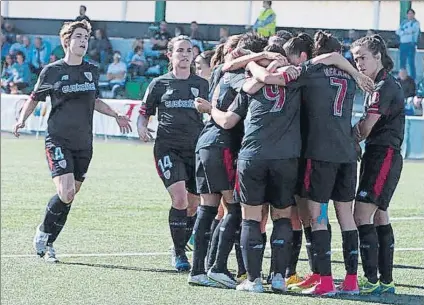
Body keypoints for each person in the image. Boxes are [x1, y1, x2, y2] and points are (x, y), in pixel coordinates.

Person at [12, 20, 132, 263]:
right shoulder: (52, 71)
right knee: (65, 192)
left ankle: (50, 244)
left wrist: (116, 115)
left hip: (84, 144)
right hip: (58, 140)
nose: (83, 41)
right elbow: (34, 98)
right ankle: (44, 231)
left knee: (70, 195)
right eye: (78, 36)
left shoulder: (92, 69)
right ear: (67, 41)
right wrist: (22, 120)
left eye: (86, 37)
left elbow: (95, 101)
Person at [293, 31, 373, 296]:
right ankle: (351, 281)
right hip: (347, 153)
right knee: (346, 217)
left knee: (318, 217)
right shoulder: (351, 77)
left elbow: (326, 60)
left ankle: (325, 281)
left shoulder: (313, 71)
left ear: (318, 54)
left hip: (321, 153)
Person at [188, 33, 270, 288]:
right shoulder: (243, 80)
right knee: (235, 208)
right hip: (223, 144)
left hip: (204, 144)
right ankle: (218, 267)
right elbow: (229, 121)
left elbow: (225, 64)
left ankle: (198, 271)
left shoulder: (220, 73)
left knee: (208, 208)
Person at [136, 35, 209, 272]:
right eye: (180, 50)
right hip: (167, 148)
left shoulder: (202, 84)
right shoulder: (159, 84)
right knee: (179, 198)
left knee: (194, 204)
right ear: (170, 55)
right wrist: (141, 126)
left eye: (189, 51)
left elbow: (213, 112)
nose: (185, 54)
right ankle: (178, 252)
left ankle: (182, 242)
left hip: (196, 149)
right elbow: (144, 112)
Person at [351, 34, 404, 295]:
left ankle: (372, 280)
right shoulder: (378, 85)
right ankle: (385, 281)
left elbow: (364, 130)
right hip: (379, 155)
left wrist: (342, 134)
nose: (358, 63)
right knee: (379, 214)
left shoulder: (383, 87)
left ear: (378, 56)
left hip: (383, 156)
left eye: (362, 57)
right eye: (355, 58)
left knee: (360, 215)